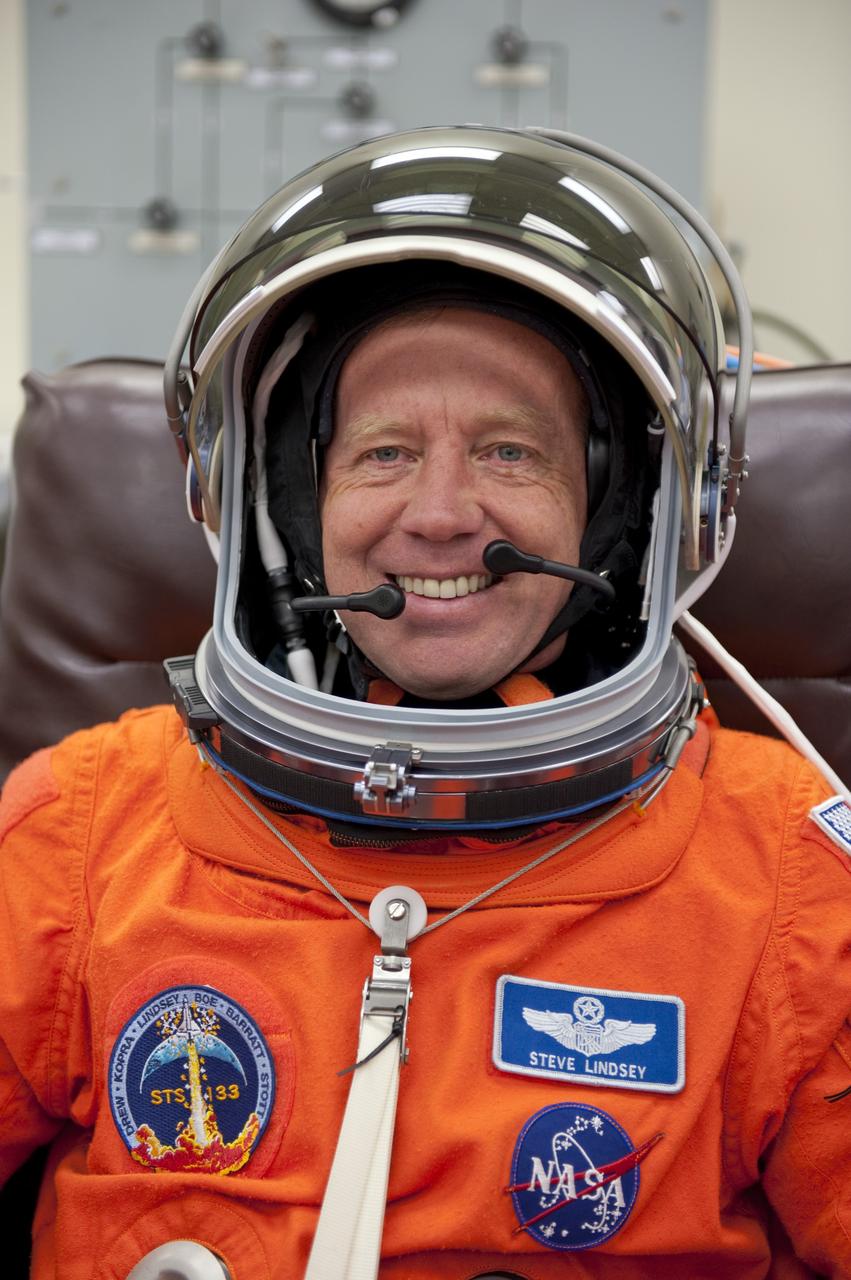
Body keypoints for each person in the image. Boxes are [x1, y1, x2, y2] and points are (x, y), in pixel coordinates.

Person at [1, 125, 850, 1280]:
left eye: (509, 453)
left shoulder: (785, 882)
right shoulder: (80, 833)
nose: (442, 515)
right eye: (383, 454)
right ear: (292, 504)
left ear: (626, 510)